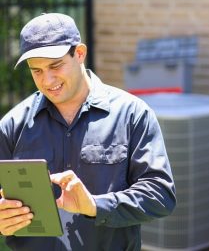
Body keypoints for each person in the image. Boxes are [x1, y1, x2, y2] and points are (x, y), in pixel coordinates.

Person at [0, 13, 176, 251]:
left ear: (80, 53)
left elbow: (160, 194)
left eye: (55, 65)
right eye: (36, 70)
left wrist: (95, 206)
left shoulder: (133, 114)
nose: (47, 79)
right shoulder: (12, 125)